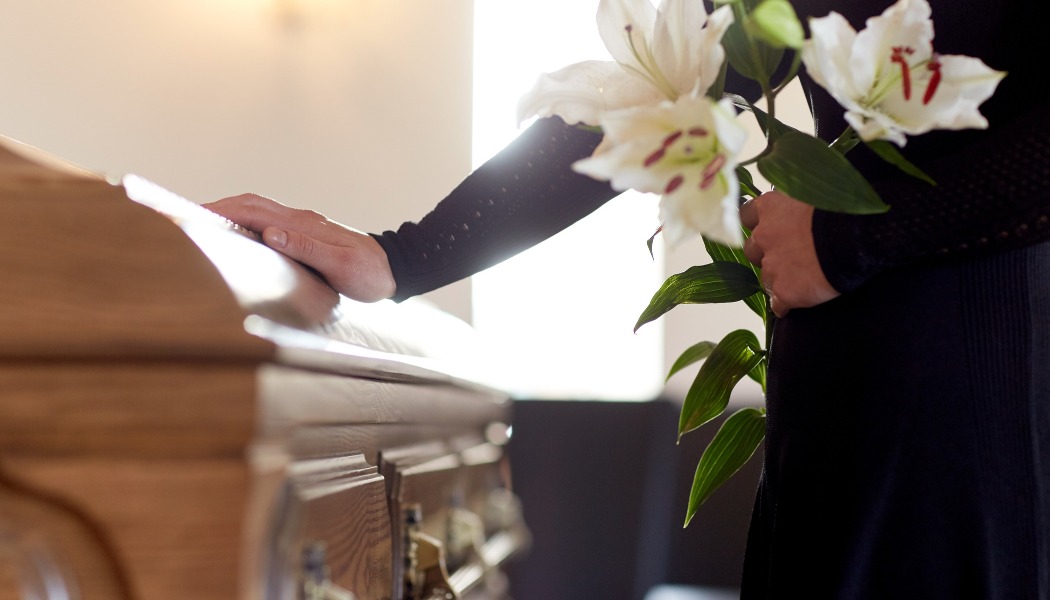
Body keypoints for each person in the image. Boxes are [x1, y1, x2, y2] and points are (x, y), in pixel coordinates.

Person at [204, 0, 1049, 597]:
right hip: (841, 385)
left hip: (998, 389)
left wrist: (856, 235)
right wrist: (403, 254)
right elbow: (658, 92)